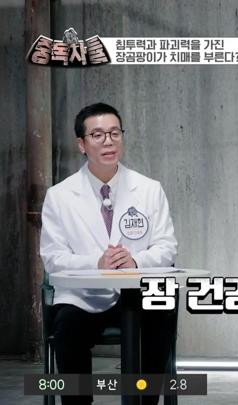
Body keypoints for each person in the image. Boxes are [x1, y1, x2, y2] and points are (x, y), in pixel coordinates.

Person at [40, 102, 178, 405]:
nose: (108, 141)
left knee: (160, 319)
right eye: (98, 135)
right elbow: (53, 258)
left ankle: (143, 402)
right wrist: (97, 263)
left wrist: (136, 260)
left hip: (138, 292)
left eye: (115, 133)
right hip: (84, 296)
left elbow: (167, 246)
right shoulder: (59, 196)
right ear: (82, 144)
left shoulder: (149, 189)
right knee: (67, 328)